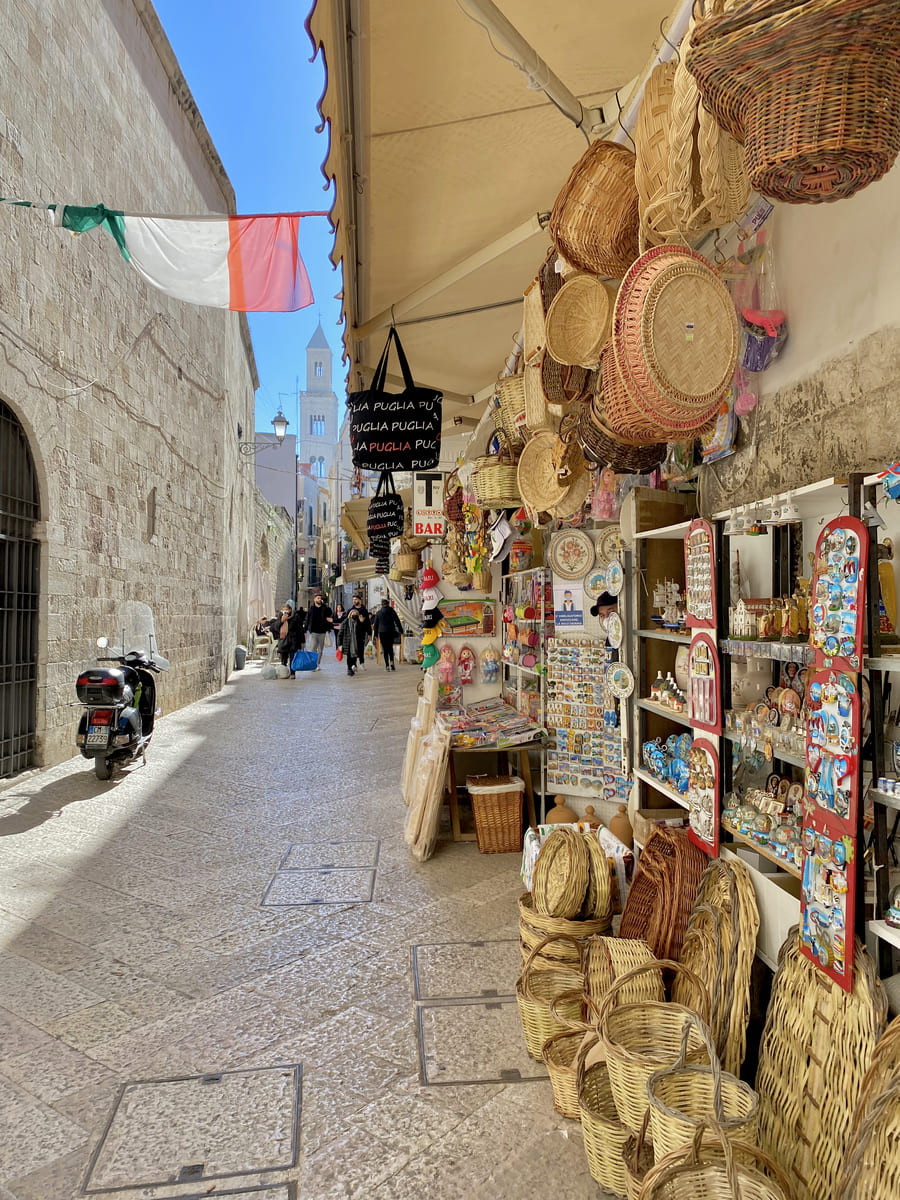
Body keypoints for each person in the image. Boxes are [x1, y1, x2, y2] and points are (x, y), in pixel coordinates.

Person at [272, 601, 305, 678]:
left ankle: (293, 673)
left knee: (292, 659)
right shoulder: (280, 618)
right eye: (283, 610)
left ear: (290, 610)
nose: (285, 611)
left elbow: (300, 630)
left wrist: (302, 642)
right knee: (283, 659)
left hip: (293, 641)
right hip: (283, 641)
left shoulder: (295, 617)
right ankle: (283, 673)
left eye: (287, 609)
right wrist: (281, 621)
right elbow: (274, 628)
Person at [304, 592, 333, 670]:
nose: (319, 599)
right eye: (318, 598)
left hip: (322, 631)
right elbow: (307, 620)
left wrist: (324, 605)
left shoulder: (324, 608)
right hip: (313, 632)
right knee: (313, 648)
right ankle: (313, 664)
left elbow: (330, 613)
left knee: (320, 649)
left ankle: (317, 664)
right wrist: (305, 630)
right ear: (314, 599)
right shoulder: (311, 609)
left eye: (320, 598)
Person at [372, 599, 403, 671]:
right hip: (391, 631)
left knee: (385, 649)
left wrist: (375, 634)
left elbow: (376, 624)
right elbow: (397, 621)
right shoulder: (392, 612)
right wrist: (401, 630)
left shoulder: (379, 613)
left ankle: (387, 666)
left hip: (382, 632)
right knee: (390, 647)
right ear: (388, 604)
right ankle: (392, 662)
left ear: (382, 604)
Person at [349, 594, 371, 670]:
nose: (354, 601)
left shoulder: (364, 610)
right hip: (353, 633)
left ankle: (362, 663)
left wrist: (369, 633)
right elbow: (346, 619)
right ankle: (354, 664)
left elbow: (367, 622)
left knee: (361, 648)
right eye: (353, 600)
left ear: (359, 600)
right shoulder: (351, 610)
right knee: (353, 648)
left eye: (355, 599)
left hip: (361, 632)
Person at [339, 605, 362, 676]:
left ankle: (353, 665)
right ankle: (349, 669)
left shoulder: (359, 623)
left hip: (356, 642)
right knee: (349, 656)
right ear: (350, 615)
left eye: (356, 614)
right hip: (347, 642)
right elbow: (340, 634)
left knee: (354, 656)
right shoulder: (345, 623)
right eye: (353, 614)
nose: (354, 615)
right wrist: (339, 644)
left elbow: (362, 632)